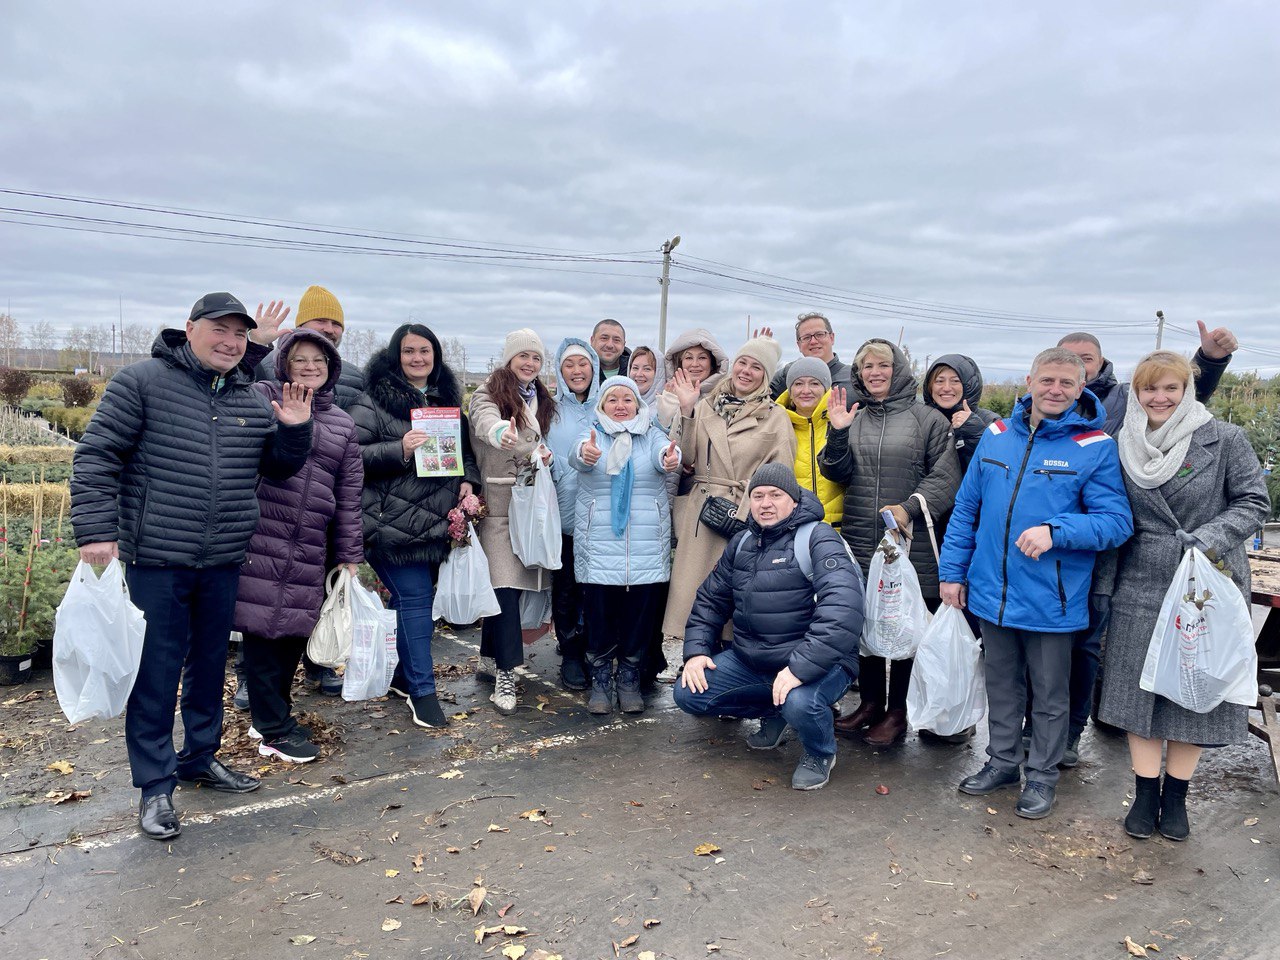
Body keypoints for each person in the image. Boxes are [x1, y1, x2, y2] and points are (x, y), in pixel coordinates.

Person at [71, 292, 313, 841]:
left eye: (239, 334)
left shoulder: (250, 399)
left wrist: (296, 428)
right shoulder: (142, 382)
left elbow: (277, 468)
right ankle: (155, 785)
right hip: (158, 557)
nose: (230, 342)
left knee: (208, 667)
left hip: (224, 557)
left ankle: (200, 757)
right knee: (156, 673)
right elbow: (97, 455)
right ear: (190, 328)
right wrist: (97, 531)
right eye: (219, 330)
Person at [939, 347, 1133, 820]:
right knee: (1002, 685)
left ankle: (1042, 776)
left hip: (1052, 597)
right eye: (1047, 380)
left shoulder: (1094, 446)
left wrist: (1056, 530)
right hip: (992, 591)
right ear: (1029, 381)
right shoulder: (996, 436)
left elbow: (1116, 522)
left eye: (1066, 383)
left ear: (1081, 387)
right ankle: (1003, 762)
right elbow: (967, 509)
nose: (1055, 390)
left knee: (1049, 695)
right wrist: (952, 573)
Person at [1096, 351, 1269, 841]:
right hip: (1141, 580)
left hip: (1205, 582)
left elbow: (1254, 501)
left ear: (1186, 390)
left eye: (1170, 388)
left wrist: (1210, 537)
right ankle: (1144, 792)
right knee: (1138, 689)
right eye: (1149, 389)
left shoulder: (1224, 438)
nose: (1160, 398)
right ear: (1136, 394)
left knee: (1192, 688)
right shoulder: (1119, 444)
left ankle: (1176, 796)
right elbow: (1112, 517)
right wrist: (1104, 588)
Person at [674, 464, 864, 790]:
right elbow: (710, 600)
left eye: (775, 495)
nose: (765, 503)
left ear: (794, 499)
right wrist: (696, 652)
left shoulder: (818, 538)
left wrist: (800, 669)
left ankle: (820, 752)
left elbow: (842, 609)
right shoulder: (742, 542)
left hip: (821, 662)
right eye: (758, 496)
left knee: (800, 702)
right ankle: (776, 712)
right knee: (688, 692)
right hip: (754, 660)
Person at [818, 339, 961, 746]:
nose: (875, 373)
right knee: (866, 619)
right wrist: (838, 432)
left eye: (883, 365)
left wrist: (910, 508)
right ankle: (869, 704)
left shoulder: (927, 420)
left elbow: (946, 477)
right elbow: (835, 472)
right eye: (867, 367)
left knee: (903, 623)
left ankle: (897, 712)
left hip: (910, 542)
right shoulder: (855, 416)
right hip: (862, 537)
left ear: (898, 370)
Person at [234, 328, 363, 762]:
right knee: (262, 629)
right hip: (264, 534)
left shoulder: (342, 423)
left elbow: (349, 495)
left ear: (331, 368)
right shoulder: (262, 398)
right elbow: (226, 391)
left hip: (310, 543)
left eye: (319, 361)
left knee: (293, 631)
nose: (310, 367)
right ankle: (274, 728)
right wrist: (254, 345)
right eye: (300, 360)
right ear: (284, 364)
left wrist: (348, 555)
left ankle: (271, 716)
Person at [348, 323, 480, 729]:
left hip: (435, 524)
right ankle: (423, 693)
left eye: (425, 351)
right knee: (416, 598)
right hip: (388, 524)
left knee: (410, 601)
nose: (418, 358)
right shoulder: (372, 401)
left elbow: (465, 454)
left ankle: (403, 678)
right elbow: (352, 456)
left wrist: (468, 481)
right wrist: (399, 449)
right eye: (409, 351)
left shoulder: (447, 401)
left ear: (435, 356)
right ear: (396, 356)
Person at [660, 337, 796, 669]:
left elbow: (782, 475)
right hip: (703, 515)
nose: (746, 371)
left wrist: (752, 509)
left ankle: (730, 671)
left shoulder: (776, 417)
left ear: (766, 376)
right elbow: (686, 457)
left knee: (735, 604)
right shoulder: (706, 405)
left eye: (756, 367)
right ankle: (697, 666)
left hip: (746, 518)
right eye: (742, 362)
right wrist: (687, 410)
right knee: (697, 598)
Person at [570, 377, 681, 713]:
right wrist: (586, 454)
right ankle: (601, 678)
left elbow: (665, 454)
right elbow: (578, 455)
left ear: (638, 404)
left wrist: (670, 459)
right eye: (613, 399)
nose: (620, 405)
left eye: (627, 399)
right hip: (600, 544)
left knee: (639, 617)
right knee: (599, 617)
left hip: (645, 546)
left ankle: (629, 677)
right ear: (602, 406)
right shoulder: (591, 432)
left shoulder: (652, 434)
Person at [468, 329, 558, 714]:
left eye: (536, 358)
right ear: (509, 359)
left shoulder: (542, 399)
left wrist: (546, 455)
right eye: (523, 356)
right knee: (504, 586)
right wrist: (499, 433)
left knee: (510, 588)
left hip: (533, 505)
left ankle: (489, 657)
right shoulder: (488, 392)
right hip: (500, 506)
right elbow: (484, 421)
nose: (530, 363)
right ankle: (506, 672)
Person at [1057, 323, 1236, 437]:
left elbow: (1182, 395)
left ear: (1100, 362)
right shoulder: (1043, 403)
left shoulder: (1126, 396)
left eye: (1086, 359)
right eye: (1068, 359)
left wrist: (1210, 359)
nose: (1077, 366)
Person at [546, 338, 602, 691]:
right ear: (559, 370)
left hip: (601, 513)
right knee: (566, 586)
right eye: (569, 365)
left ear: (593, 368)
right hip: (565, 510)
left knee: (596, 588)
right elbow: (540, 446)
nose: (577, 371)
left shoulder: (607, 403)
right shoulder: (549, 409)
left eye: (583, 364)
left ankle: (595, 650)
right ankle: (570, 654)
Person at [250, 285, 366, 409]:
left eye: (336, 324)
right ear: (300, 326)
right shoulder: (265, 366)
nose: (329, 329)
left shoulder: (356, 377)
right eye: (320, 321)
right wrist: (256, 345)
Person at [777, 356, 843, 526]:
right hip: (791, 528)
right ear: (790, 391)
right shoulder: (776, 425)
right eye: (798, 384)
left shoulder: (842, 423)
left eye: (814, 383)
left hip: (837, 528)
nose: (806, 390)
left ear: (825, 389)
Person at [922, 354, 1000, 472]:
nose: (946, 388)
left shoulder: (993, 421)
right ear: (930, 387)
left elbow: (1003, 464)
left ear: (969, 386)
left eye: (955, 381)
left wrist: (975, 432)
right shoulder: (919, 420)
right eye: (939, 381)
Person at [654, 329, 729, 434]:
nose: (695, 364)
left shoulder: (724, 397)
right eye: (689, 357)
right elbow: (659, 438)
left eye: (702, 358)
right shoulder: (669, 395)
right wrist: (665, 415)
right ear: (680, 363)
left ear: (713, 364)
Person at [769, 311, 853, 400]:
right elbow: (761, 397)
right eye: (806, 337)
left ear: (832, 338)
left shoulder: (853, 377)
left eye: (819, 335)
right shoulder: (786, 375)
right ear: (799, 345)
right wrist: (760, 357)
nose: (813, 341)